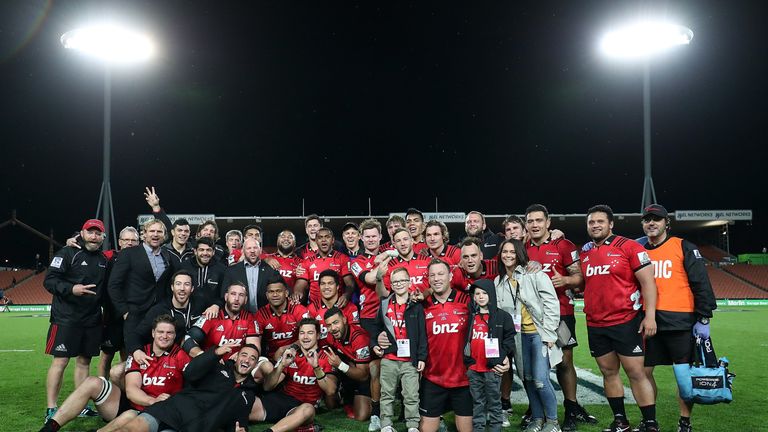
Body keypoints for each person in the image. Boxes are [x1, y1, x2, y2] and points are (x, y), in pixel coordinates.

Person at [638, 204, 717, 432]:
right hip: (647, 321)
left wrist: (703, 319)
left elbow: (701, 283)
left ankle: (684, 422)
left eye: (656, 219)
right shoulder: (639, 252)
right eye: (647, 219)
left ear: (666, 223)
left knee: (683, 378)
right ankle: (649, 420)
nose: (651, 223)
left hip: (679, 322)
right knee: (642, 374)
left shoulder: (683, 246)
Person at [580, 205, 659, 432]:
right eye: (591, 222)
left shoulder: (630, 247)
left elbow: (648, 283)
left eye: (600, 221)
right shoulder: (585, 253)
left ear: (611, 224)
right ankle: (620, 422)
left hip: (626, 321)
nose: (595, 225)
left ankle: (651, 424)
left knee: (636, 373)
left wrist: (650, 316)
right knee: (609, 373)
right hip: (595, 323)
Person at [40, 315, 191, 432]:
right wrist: (153, 401)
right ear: (153, 333)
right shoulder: (140, 353)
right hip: (134, 406)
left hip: (159, 414)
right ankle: (51, 426)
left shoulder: (180, 356)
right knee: (93, 382)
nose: (164, 336)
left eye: (169, 333)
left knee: (130, 418)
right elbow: (131, 391)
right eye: (161, 332)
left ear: (174, 335)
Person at [525, 204, 596, 430]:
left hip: (561, 314)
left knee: (564, 362)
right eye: (530, 221)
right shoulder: (521, 247)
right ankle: (536, 410)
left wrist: (565, 281)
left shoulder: (563, 245)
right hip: (531, 317)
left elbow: (579, 278)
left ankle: (571, 408)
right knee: (534, 365)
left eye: (539, 220)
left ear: (548, 223)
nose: (534, 225)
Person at [43, 219, 109, 421]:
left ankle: (80, 404)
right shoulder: (67, 252)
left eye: (98, 233)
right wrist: (72, 289)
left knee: (84, 362)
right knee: (61, 361)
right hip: (66, 318)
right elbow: (50, 280)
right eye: (91, 232)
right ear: (82, 233)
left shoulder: (103, 260)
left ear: (103, 238)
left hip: (91, 320)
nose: (94, 236)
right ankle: (51, 408)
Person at [113, 343, 262, 432]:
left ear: (255, 364)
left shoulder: (247, 394)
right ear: (236, 358)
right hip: (173, 409)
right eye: (244, 355)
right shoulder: (217, 366)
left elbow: (237, 422)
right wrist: (214, 353)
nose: (247, 360)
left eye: (252, 358)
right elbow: (190, 373)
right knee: (130, 429)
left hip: (195, 427)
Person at [494, 239, 561, 432]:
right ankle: (537, 419)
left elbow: (551, 303)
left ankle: (553, 421)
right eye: (504, 251)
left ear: (519, 254)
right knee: (527, 378)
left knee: (540, 379)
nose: (508, 255)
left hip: (539, 334)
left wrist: (549, 334)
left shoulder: (534, 274)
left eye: (512, 252)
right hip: (518, 337)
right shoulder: (498, 281)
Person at [371, 267, 426, 432]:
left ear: (409, 283)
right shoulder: (384, 304)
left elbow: (423, 334)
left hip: (410, 360)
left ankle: (412, 425)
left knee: (411, 395)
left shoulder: (417, 305)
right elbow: (375, 328)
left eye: (403, 280)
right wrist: (375, 343)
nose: (399, 284)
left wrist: (422, 357)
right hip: (389, 358)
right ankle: (386, 424)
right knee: (386, 394)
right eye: (395, 282)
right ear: (391, 285)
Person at [259, 319, 337, 432]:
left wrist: (316, 367)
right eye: (302, 333)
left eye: (310, 333)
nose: (305, 337)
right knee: (249, 403)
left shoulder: (325, 357)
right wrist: (281, 365)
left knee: (308, 409)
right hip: (282, 400)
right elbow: (267, 386)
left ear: (318, 335)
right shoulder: (291, 355)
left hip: (302, 407)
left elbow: (331, 390)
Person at [108, 218, 175, 346]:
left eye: (159, 231)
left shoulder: (167, 255)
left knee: (156, 355)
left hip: (159, 314)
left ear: (164, 235)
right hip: (135, 313)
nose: (155, 234)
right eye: (152, 231)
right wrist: (124, 311)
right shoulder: (128, 254)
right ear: (144, 234)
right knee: (134, 355)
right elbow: (114, 285)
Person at [464, 279, 516, 432]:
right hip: (474, 368)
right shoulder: (471, 316)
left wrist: (503, 357)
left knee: (494, 402)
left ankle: (495, 428)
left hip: (492, 369)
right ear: (473, 296)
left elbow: (509, 339)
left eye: (484, 293)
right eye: (477, 294)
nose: (480, 296)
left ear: (491, 294)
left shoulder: (503, 317)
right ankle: (478, 428)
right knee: (477, 403)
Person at [349, 218, 386, 431]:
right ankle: (376, 414)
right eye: (368, 236)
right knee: (375, 368)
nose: (371, 239)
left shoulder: (390, 255)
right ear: (362, 239)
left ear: (381, 237)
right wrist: (382, 260)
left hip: (395, 315)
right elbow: (371, 278)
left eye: (375, 236)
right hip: (371, 319)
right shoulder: (356, 261)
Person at [125, 270, 206, 366]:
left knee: (194, 334)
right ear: (172, 287)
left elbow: (220, 300)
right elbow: (135, 334)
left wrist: (215, 306)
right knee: (116, 372)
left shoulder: (200, 304)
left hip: (189, 353)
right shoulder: (159, 310)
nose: (182, 288)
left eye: (187, 284)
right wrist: (136, 351)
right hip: (161, 355)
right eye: (178, 284)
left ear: (192, 288)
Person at [183, 283, 261, 357]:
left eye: (241, 295)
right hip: (211, 365)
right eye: (233, 294)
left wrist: (239, 357)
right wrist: (205, 357)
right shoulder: (212, 315)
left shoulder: (250, 319)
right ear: (226, 297)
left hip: (237, 366)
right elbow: (186, 340)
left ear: (245, 299)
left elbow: (254, 349)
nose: (237, 298)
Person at [293, 228, 355, 306]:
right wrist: (297, 293)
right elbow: (301, 283)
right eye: (320, 237)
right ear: (316, 241)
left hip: (337, 306)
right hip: (314, 308)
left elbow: (350, 283)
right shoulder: (307, 262)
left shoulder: (343, 259)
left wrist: (346, 295)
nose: (323, 240)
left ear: (332, 240)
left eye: (327, 237)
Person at [220, 237, 282, 313]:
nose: (252, 251)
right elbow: (224, 294)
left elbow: (282, 290)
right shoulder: (231, 270)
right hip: (240, 317)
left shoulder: (270, 269)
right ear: (243, 251)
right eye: (249, 248)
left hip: (265, 316)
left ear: (260, 250)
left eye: (255, 248)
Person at [256, 279, 309, 360]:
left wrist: (284, 349)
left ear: (286, 293)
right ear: (267, 295)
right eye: (271, 292)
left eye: (279, 291)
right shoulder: (261, 314)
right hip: (272, 359)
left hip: (297, 355)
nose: (275, 294)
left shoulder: (298, 310)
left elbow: (309, 337)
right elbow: (256, 343)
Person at [306, 270, 360, 342]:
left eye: (330, 283)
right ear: (319, 287)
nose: (326, 287)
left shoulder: (350, 307)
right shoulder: (312, 308)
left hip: (344, 350)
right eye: (323, 284)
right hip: (321, 350)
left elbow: (357, 336)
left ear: (337, 286)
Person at [180, 236, 226, 308]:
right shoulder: (184, 267)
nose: (205, 253)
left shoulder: (221, 269)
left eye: (208, 250)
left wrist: (217, 305)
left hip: (213, 312)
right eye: (201, 250)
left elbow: (224, 293)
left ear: (213, 252)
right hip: (187, 310)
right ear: (195, 251)